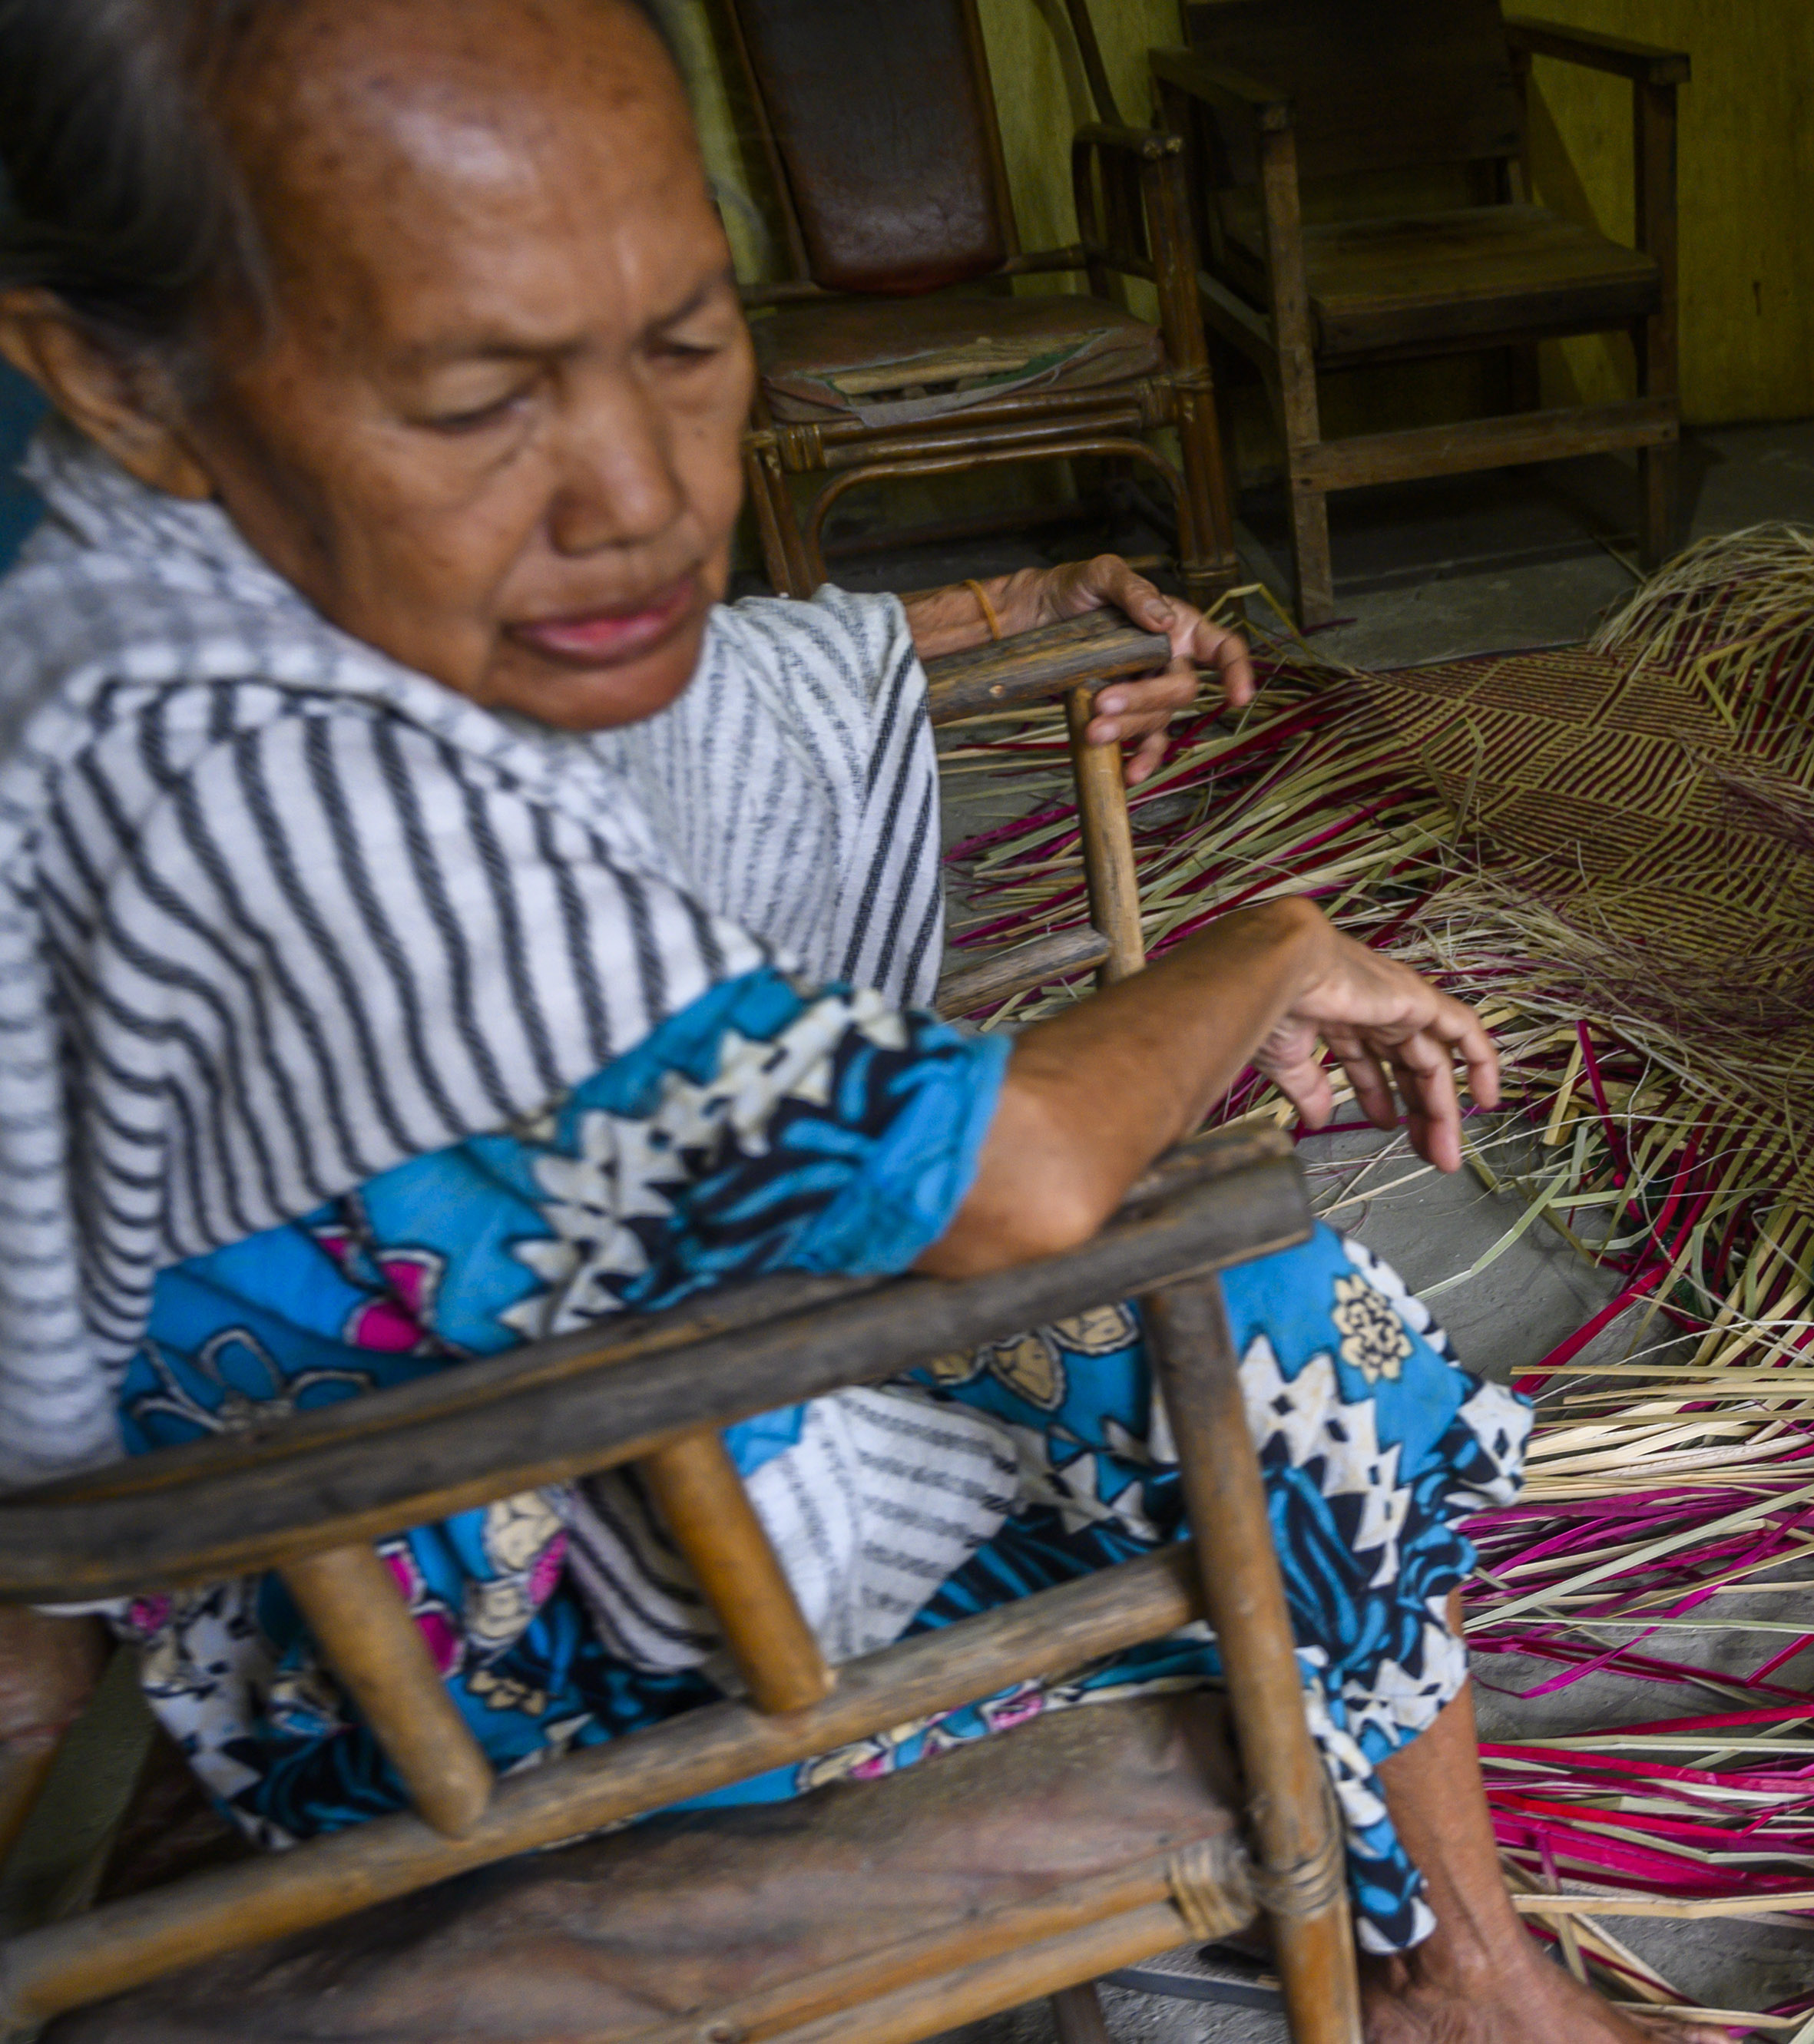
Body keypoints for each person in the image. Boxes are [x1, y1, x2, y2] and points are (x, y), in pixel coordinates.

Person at [0, 3, 1705, 2038]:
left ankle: (1433, 1902)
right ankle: (1473, 1962)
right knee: (1239, 1279)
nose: (642, 495)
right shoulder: (333, 826)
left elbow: (642, 667)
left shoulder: (108, 596)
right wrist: (1259, 948)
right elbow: (1012, 1179)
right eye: (474, 399)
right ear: (111, 373)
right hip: (463, 1632)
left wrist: (973, 620)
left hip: (299, 1517)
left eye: (690, 337)